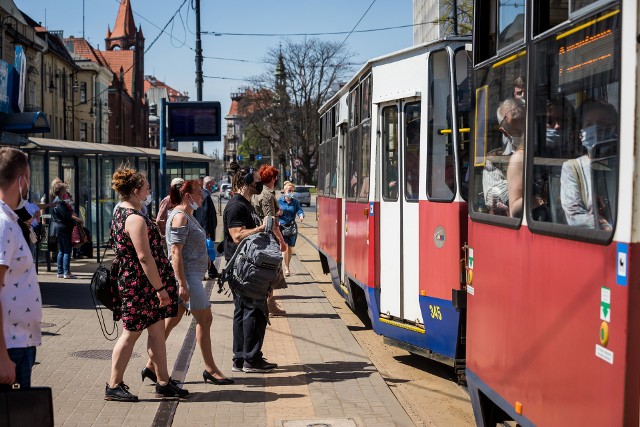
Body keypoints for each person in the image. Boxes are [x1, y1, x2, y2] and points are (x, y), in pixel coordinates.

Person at [106, 167, 188, 401]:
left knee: (156, 332)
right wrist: (160, 289)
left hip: (142, 285)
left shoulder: (126, 211)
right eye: (146, 186)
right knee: (131, 334)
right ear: (135, 190)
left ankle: (163, 381)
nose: (149, 189)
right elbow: (144, 257)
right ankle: (113, 384)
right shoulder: (133, 218)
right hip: (140, 286)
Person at [142, 180, 233, 385]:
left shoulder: (187, 215)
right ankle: (211, 369)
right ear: (187, 196)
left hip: (190, 276)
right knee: (205, 319)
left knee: (172, 320)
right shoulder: (180, 217)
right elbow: (176, 252)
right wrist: (182, 283)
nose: (202, 197)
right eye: (199, 194)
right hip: (188, 278)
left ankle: (150, 365)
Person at [223, 162, 278, 373]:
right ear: (246, 181)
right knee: (253, 312)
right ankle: (251, 359)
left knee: (243, 311)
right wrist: (261, 228)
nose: (259, 182)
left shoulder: (244, 204)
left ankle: (240, 358)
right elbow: (236, 235)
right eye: (256, 179)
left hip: (246, 268)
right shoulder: (236, 206)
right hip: (243, 269)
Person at [0, 148, 42, 389]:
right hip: (10, 346)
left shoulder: (10, 220)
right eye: (28, 177)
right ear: (21, 180)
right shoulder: (3, 223)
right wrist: (2, 355)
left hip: (19, 343)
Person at [561, 99, 617, 230]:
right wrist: (605, 226)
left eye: (603, 123)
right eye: (589, 124)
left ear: (614, 128)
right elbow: (575, 216)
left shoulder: (625, 162)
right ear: (580, 134)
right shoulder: (572, 167)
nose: (596, 129)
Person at [252, 165, 287, 316]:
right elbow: (270, 221)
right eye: (275, 177)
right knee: (270, 271)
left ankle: (269, 304)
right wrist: (281, 240)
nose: (277, 179)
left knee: (267, 272)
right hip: (267, 238)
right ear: (272, 179)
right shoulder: (266, 194)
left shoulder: (258, 192)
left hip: (260, 236)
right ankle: (268, 305)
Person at [50, 181, 82, 279]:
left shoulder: (56, 201)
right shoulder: (60, 202)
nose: (65, 191)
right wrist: (77, 219)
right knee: (67, 250)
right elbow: (67, 216)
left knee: (61, 250)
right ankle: (66, 272)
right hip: (63, 228)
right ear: (61, 191)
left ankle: (60, 271)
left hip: (57, 229)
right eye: (64, 189)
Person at [193, 176, 218, 280]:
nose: (214, 187)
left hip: (202, 228)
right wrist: (207, 231)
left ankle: (212, 271)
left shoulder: (204, 194)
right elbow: (204, 215)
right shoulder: (205, 195)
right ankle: (210, 272)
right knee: (206, 251)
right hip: (204, 230)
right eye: (212, 185)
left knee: (206, 251)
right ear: (208, 184)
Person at [278, 181, 305, 277]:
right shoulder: (279, 201)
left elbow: (300, 211)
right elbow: (274, 212)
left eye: (292, 191)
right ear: (284, 191)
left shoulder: (295, 202)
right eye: (289, 190)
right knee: (285, 247)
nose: (291, 192)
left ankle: (287, 265)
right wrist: (278, 214)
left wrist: (301, 216)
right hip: (282, 227)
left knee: (290, 248)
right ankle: (286, 268)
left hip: (292, 227)